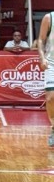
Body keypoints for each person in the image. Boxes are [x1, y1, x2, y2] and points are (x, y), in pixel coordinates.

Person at [36, 11, 54, 147]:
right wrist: (42, 58)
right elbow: (41, 39)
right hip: (51, 62)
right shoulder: (49, 18)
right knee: (50, 97)